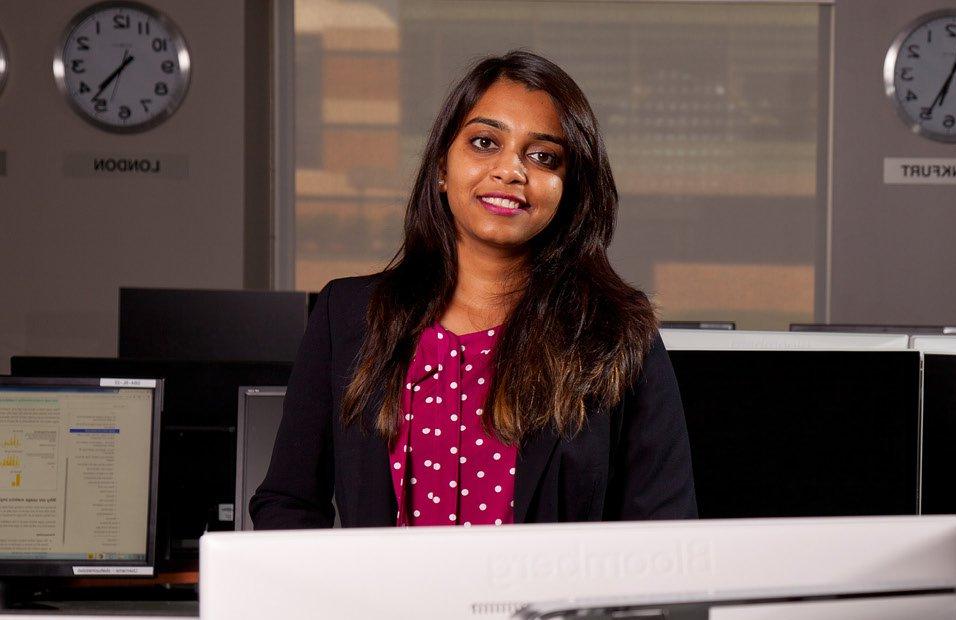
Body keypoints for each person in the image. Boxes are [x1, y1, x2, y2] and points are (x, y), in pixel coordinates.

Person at [250, 50, 697, 529]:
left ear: (570, 188)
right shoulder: (349, 317)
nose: (511, 171)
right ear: (442, 167)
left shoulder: (617, 334)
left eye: (543, 156)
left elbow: (664, 532)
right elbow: (287, 503)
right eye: (485, 142)